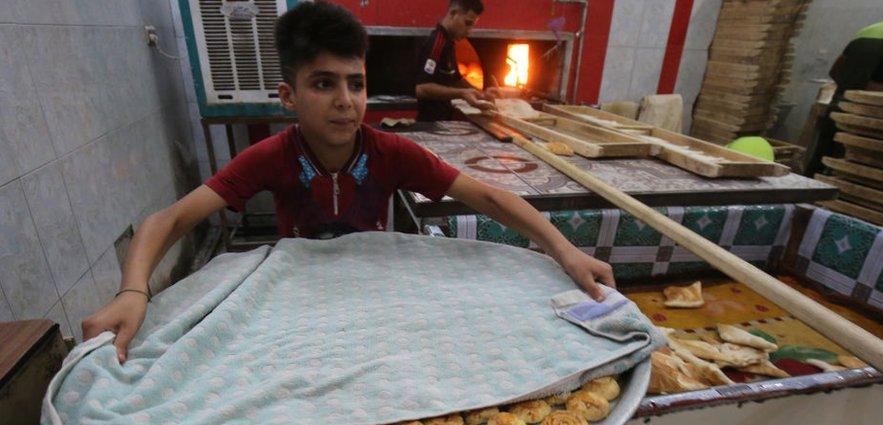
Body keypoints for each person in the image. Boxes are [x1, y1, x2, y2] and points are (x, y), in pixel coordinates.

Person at [81, 2, 614, 362]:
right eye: (323, 84)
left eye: (355, 84)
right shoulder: (271, 157)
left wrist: (565, 252)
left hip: (374, 295)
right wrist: (134, 291)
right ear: (288, 97)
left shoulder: (390, 152)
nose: (345, 100)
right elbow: (168, 220)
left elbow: (490, 196)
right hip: (300, 300)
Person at [807, 3, 883, 174]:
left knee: (820, 161)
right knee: (846, 170)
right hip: (868, 116)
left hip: (839, 107)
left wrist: (850, 86)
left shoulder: (867, 30)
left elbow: (835, 70)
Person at [414, 0, 499, 121]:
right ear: (453, 13)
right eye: (467, 23)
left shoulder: (449, 43)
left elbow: (455, 79)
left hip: (444, 119)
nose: (469, 30)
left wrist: (480, 94)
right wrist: (462, 94)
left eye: (472, 25)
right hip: (430, 122)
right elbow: (422, 88)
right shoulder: (437, 43)